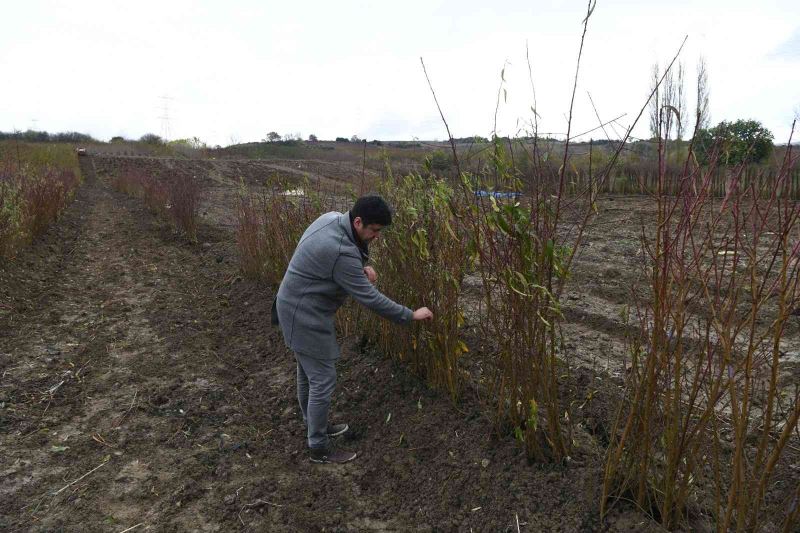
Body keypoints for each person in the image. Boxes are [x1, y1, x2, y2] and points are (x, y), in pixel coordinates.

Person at [275, 194, 433, 464]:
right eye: (374, 230)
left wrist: (358, 268)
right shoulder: (341, 251)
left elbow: (329, 261)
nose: (376, 236)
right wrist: (410, 315)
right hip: (304, 317)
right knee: (322, 379)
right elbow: (370, 298)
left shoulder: (331, 219)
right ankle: (318, 446)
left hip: (292, 305)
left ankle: (315, 425)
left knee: (308, 374)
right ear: (358, 221)